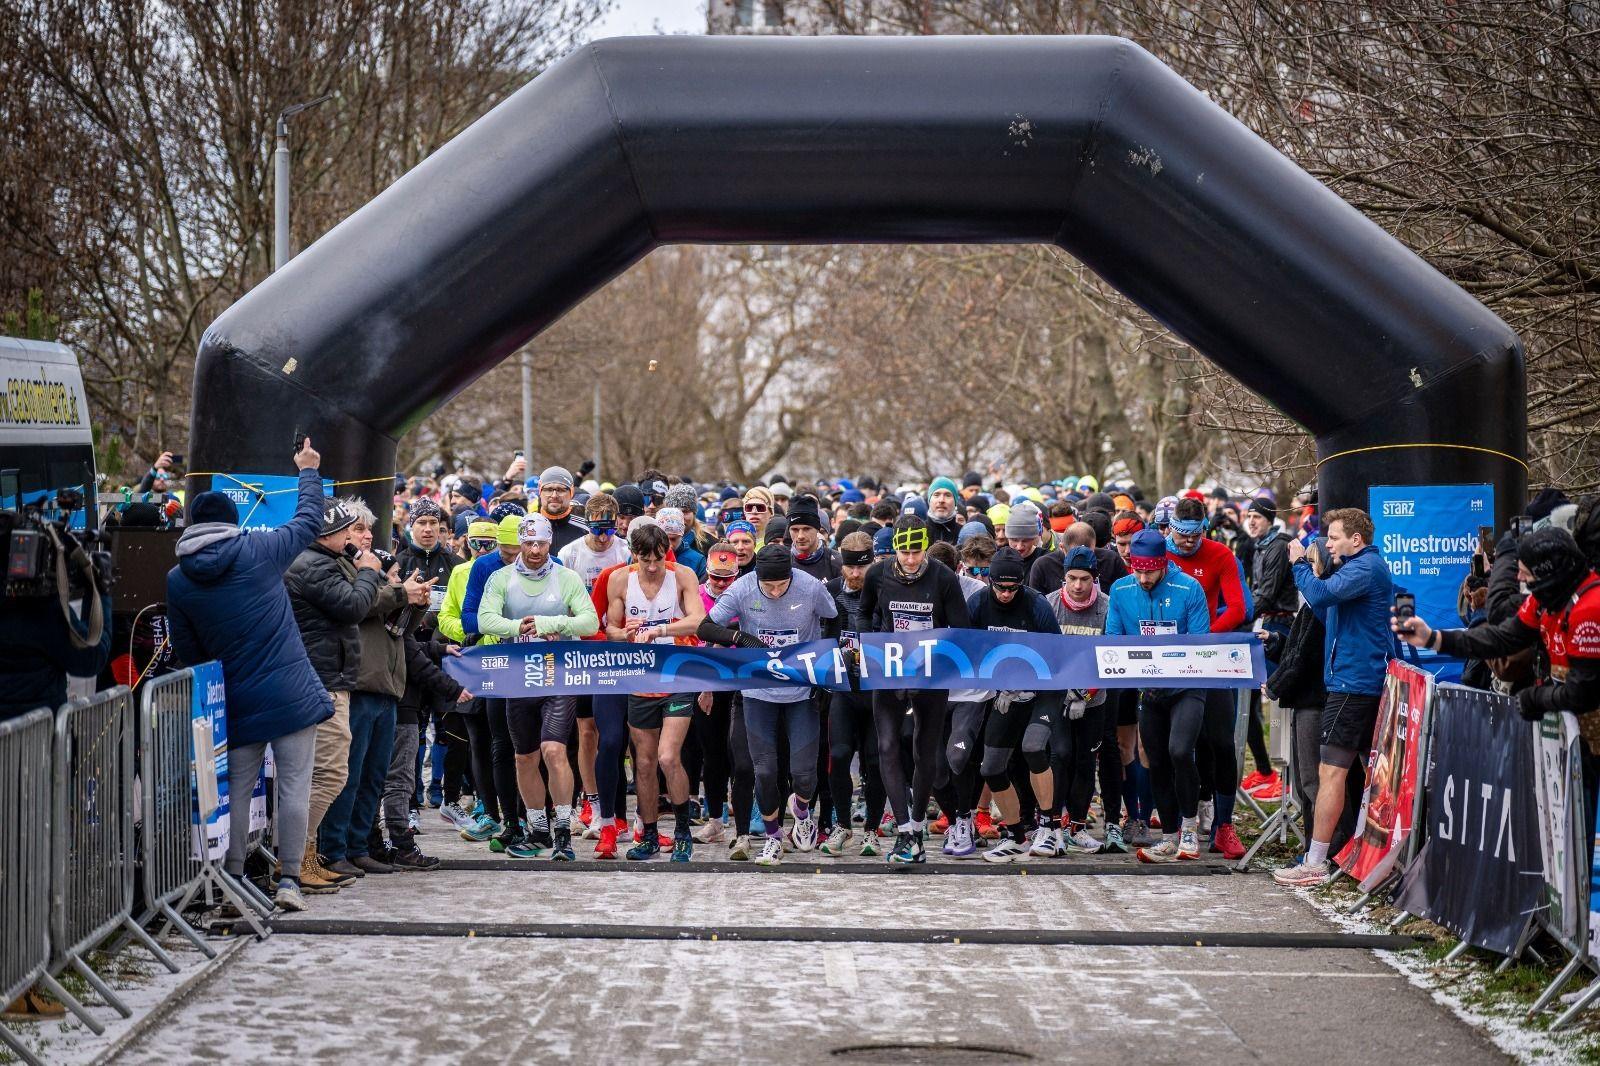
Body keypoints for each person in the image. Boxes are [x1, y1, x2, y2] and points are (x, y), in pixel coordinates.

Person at [164, 438, 328, 911]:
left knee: (235, 790)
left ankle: (233, 878)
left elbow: (187, 649)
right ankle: (290, 880)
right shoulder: (259, 548)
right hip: (291, 693)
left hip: (233, 697)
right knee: (295, 787)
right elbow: (308, 521)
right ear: (232, 521)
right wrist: (308, 471)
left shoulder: (178, 579)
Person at [1395, 525, 1600, 861]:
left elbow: (1584, 692)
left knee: (1585, 834)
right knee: (1573, 834)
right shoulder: (1547, 599)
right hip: (1577, 735)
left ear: (1549, 572)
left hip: (1588, 726)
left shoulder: (1589, 608)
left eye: (1526, 574)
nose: (1520, 580)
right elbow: (1501, 637)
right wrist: (1435, 638)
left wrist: (1534, 699)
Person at [1273, 507, 1395, 887]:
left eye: (1335, 537)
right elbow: (1329, 614)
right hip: (1349, 681)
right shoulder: (1355, 569)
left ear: (1356, 539)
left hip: (1354, 685)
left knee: (1331, 772)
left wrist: (1300, 566)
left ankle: (1316, 861)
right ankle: (1362, 854)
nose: (1328, 543)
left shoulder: (1365, 568)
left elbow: (1321, 595)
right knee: (1360, 773)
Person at [700, 544, 837, 866]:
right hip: (758, 692)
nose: (775, 592)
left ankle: (801, 810)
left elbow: (833, 619)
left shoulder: (810, 587)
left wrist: (825, 668)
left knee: (804, 774)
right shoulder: (743, 588)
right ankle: (773, 838)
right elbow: (705, 626)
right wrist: (740, 638)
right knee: (764, 771)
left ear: (792, 577)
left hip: (800, 691)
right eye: (769, 586)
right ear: (758, 578)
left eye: (781, 585)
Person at [317, 502, 433, 878]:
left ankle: (358, 847)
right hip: (359, 684)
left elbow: (399, 629)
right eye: (358, 529)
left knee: (373, 777)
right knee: (348, 775)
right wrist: (400, 593)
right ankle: (333, 850)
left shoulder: (374, 569)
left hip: (387, 686)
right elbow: (358, 605)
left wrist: (416, 603)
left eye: (368, 530)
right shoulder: (341, 568)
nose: (367, 536)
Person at [479, 514, 600, 860]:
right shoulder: (502, 578)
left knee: (553, 750)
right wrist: (519, 627)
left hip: (557, 674)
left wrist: (550, 622)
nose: (534, 550)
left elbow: (590, 622)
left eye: (541, 543)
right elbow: (485, 619)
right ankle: (539, 830)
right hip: (519, 676)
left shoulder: (566, 577)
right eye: (529, 543)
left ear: (550, 544)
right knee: (523, 757)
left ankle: (562, 830)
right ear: (520, 543)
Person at [862, 514, 973, 863]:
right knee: (886, 745)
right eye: (904, 552)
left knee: (925, 751)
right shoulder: (877, 574)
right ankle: (905, 832)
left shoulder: (943, 578)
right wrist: (869, 646)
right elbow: (863, 614)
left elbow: (961, 630)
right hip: (891, 670)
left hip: (930, 674)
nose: (910, 560)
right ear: (894, 549)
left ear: (926, 547)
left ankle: (918, 822)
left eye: (917, 552)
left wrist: (935, 656)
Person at [1104, 529, 1212, 863]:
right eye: (1137, 570)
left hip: (1187, 686)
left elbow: (1200, 641)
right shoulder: (1121, 589)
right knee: (1157, 759)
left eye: (1150, 571)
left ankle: (1189, 828)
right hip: (1149, 689)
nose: (1143, 578)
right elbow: (1113, 637)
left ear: (1163, 563)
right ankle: (1168, 835)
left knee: (1180, 751)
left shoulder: (1188, 588)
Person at [955, 548, 1068, 862]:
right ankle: (1017, 835)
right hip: (1006, 691)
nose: (1006, 594)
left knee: (1033, 747)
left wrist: (1024, 682)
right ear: (990, 582)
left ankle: (1049, 827)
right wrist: (998, 684)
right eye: (1000, 588)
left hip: (1043, 688)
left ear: (1021, 584)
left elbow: (1057, 656)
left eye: (1012, 588)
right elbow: (969, 651)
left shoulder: (1036, 604)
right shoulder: (978, 603)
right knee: (991, 767)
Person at [606, 521, 706, 861]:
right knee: (645, 763)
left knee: (667, 757)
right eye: (645, 559)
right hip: (640, 678)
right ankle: (649, 834)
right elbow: (610, 629)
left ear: (667, 553)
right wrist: (625, 633)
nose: (652, 566)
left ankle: (682, 832)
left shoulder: (682, 576)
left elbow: (698, 621)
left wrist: (661, 629)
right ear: (634, 555)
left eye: (658, 559)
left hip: (676, 676)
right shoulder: (620, 579)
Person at [1162, 496, 1249, 860]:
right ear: (1170, 528)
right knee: (1175, 746)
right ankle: (1174, 823)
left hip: (1207, 655)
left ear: (1204, 530)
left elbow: (1239, 608)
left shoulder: (1220, 555)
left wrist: (1204, 635)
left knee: (1221, 741)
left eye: (1194, 535)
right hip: (1166, 659)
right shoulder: (1158, 555)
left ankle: (1224, 825)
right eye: (1181, 534)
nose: (1187, 541)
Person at [820, 530, 888, 857]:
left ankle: (872, 829)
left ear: (872, 563)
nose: (856, 574)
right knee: (838, 755)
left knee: (875, 760)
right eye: (850, 567)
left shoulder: (885, 591)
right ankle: (843, 825)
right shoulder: (831, 591)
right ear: (841, 564)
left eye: (862, 567)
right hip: (843, 689)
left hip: (876, 690)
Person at [1241, 498, 1295, 800]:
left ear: (1269, 519)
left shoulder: (1278, 546)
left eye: (1257, 517)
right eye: (1248, 516)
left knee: (1279, 702)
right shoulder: (1259, 545)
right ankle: (1264, 771)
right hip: (1263, 624)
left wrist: (1237, 615)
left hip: (1280, 628)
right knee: (1248, 698)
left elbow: (1268, 593)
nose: (1251, 521)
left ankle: (1286, 780)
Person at [535, 466, 589, 554]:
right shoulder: (527, 526)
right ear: (540, 492)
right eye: (549, 490)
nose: (554, 495)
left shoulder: (586, 528)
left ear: (571, 493)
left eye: (560, 490)